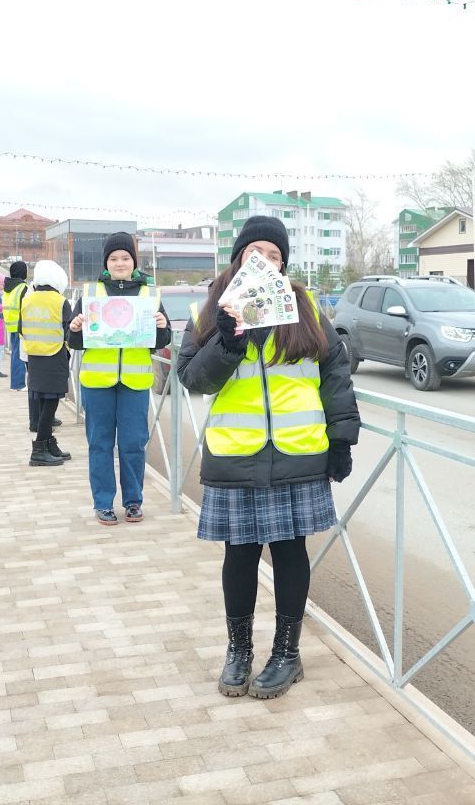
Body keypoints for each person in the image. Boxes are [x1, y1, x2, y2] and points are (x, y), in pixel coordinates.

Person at [176, 216, 360, 700]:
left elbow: (335, 373)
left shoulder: (306, 309)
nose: (265, 261)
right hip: (236, 454)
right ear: (238, 258)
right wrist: (226, 344)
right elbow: (191, 379)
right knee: (239, 556)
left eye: (275, 255)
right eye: (255, 252)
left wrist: (341, 439)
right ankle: (238, 651)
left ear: (285, 263)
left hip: (298, 454)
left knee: (290, 553)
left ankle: (287, 653)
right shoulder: (210, 308)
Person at [68, 233, 171, 525]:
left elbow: (160, 340)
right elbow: (74, 341)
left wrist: (163, 327)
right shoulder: (90, 293)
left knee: (133, 444)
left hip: (134, 384)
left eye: (125, 257)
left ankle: (133, 501)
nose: (120, 263)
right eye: (113, 258)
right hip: (97, 383)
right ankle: (103, 503)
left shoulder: (149, 295)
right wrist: (75, 328)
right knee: (99, 443)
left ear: (134, 261)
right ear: (106, 263)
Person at [20, 260, 75, 467]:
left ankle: (50, 443)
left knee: (43, 400)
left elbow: (20, 328)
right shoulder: (60, 301)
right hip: (55, 355)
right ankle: (40, 448)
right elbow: (70, 332)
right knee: (51, 402)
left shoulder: (27, 299)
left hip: (34, 356)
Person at [2, 261, 30, 391]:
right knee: (19, 356)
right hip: (20, 325)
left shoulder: (8, 286)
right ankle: (18, 384)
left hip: (11, 325)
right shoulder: (22, 287)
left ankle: (16, 382)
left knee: (15, 354)